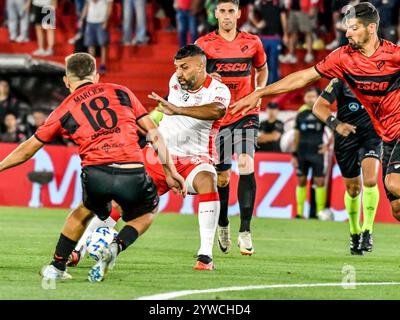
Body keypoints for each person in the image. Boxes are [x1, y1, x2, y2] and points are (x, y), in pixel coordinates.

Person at [0, 52, 186, 282]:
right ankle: (116, 247)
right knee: (147, 212)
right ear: (96, 76)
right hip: (132, 169)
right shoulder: (121, 92)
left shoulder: (63, 110)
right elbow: (154, 134)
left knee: (82, 213)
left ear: (67, 81)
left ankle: (56, 267)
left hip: (96, 173)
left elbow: (28, 149)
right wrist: (171, 171)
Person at [231, 2, 400, 224]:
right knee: (397, 208)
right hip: (386, 135)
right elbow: (302, 77)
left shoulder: (394, 55)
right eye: (346, 27)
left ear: (371, 28)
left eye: (354, 28)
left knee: (393, 183)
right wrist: (259, 93)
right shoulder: (343, 57)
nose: (347, 32)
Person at [68, 45, 231, 271]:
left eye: (184, 67)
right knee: (118, 205)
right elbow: (179, 103)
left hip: (194, 160)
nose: (179, 72)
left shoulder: (219, 90)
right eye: (177, 67)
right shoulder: (176, 80)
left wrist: (179, 110)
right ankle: (77, 251)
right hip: (158, 157)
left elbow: (217, 111)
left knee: (208, 181)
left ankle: (205, 256)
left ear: (200, 66)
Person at [195, 0, 267, 256]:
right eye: (222, 11)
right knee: (222, 178)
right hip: (218, 117)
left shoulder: (253, 42)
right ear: (216, 14)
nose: (226, 16)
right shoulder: (203, 44)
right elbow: (189, 76)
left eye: (230, 11)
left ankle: (245, 230)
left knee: (246, 163)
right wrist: (205, 79)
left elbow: (262, 68)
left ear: (238, 13)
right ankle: (223, 223)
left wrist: (259, 91)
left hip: (245, 112)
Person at [313, 78, 381, 255]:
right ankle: (354, 231)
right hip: (345, 137)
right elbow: (318, 106)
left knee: (371, 180)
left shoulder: (384, 75)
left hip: (372, 136)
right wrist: (337, 125)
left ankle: (367, 230)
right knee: (353, 189)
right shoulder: (341, 80)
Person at [292, 87, 331, 220]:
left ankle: (320, 213)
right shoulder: (300, 114)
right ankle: (299, 213)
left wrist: (327, 146)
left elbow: (335, 128)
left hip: (317, 153)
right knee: (301, 180)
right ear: (304, 98)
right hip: (302, 153)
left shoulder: (322, 112)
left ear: (317, 98)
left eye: (313, 96)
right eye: (308, 96)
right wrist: (294, 154)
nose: (311, 99)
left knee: (319, 181)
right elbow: (296, 135)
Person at [249, 0, 289, 84]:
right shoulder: (259, 3)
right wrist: (257, 24)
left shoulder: (279, 3)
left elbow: (283, 18)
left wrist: (285, 34)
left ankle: (274, 84)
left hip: (275, 37)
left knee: (273, 62)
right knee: (263, 62)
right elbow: (250, 14)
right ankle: (264, 83)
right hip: (263, 38)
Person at [80, 0, 113, 74]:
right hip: (90, 21)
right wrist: (82, 18)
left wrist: (106, 20)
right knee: (90, 44)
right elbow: (87, 5)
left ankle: (103, 65)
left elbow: (109, 6)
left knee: (103, 44)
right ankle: (91, 66)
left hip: (101, 21)